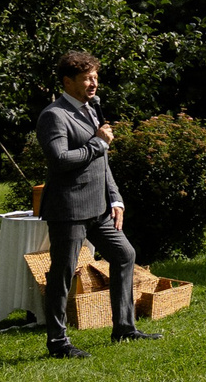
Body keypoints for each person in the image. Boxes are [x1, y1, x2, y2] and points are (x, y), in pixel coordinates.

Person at [36, 49, 143, 357]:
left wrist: (115, 197)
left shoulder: (91, 108)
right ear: (68, 82)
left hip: (98, 208)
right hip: (68, 209)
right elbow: (60, 160)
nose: (93, 83)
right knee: (63, 272)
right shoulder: (54, 116)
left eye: (95, 77)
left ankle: (124, 328)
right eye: (86, 78)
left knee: (124, 254)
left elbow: (102, 162)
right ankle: (58, 343)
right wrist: (97, 143)